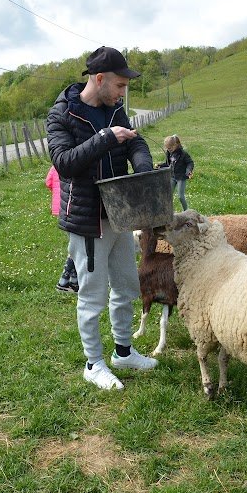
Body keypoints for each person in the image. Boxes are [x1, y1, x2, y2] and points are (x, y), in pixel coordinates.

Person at [46, 46, 159, 391]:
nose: (124, 93)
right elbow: (64, 162)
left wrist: (141, 170)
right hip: (88, 218)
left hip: (120, 213)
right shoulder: (62, 115)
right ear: (100, 79)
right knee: (93, 295)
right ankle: (93, 363)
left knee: (126, 285)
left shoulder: (115, 110)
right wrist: (105, 138)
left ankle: (123, 351)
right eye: (121, 86)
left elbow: (136, 144)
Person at [45, 165, 78, 293]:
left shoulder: (55, 167)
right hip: (70, 208)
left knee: (74, 244)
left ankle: (74, 281)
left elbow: (48, 182)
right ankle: (63, 281)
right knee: (75, 247)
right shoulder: (73, 168)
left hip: (61, 208)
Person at [158, 134, 194, 211]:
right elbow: (168, 164)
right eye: (167, 148)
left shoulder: (183, 154)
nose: (168, 150)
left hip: (181, 177)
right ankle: (168, 211)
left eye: (170, 148)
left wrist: (189, 171)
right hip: (172, 177)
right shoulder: (168, 153)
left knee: (180, 196)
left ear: (175, 145)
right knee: (168, 195)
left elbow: (190, 163)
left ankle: (186, 211)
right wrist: (160, 166)